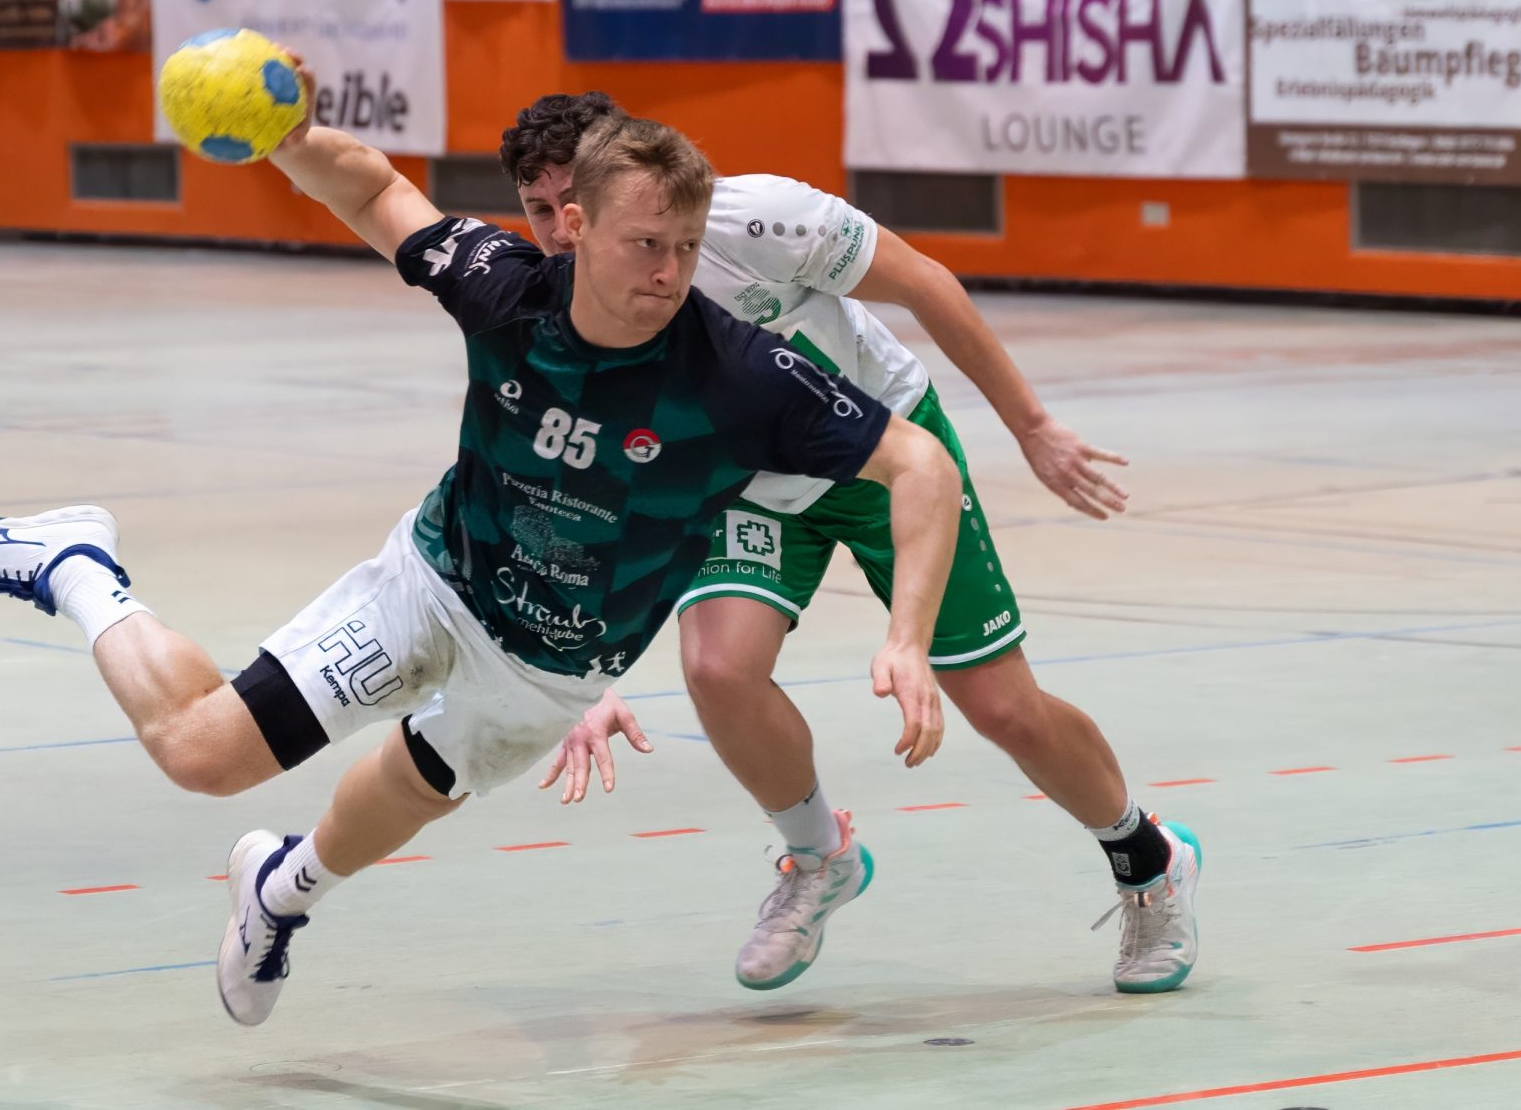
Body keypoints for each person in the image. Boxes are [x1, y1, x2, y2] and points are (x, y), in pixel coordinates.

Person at [0, 110, 959, 1027]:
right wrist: (290, 139)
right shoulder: (504, 289)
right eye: (646, 243)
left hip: (552, 670)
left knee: (415, 789)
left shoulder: (740, 374)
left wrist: (906, 638)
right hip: (435, 581)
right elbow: (374, 190)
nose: (668, 273)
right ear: (576, 225)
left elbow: (919, 464)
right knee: (201, 755)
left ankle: (279, 893)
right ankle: (72, 564)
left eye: (685, 247)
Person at [504, 96, 1203, 995]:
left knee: (1001, 706)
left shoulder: (757, 218)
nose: (557, 231)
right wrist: (580, 672)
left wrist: (1031, 427)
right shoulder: (558, 307)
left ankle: (1149, 860)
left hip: (886, 452)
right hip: (754, 487)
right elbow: (583, 476)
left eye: (573, 200)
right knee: (718, 667)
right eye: (537, 209)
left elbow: (926, 282)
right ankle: (819, 856)